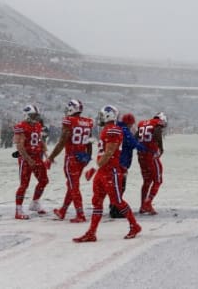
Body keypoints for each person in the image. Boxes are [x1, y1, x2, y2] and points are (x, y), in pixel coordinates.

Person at [73, 105, 141, 242]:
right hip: (103, 171)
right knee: (97, 202)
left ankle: (134, 226)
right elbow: (104, 152)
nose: (100, 117)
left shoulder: (114, 130)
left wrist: (93, 168)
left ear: (108, 115)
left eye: (102, 115)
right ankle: (91, 232)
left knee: (117, 201)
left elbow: (109, 153)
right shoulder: (108, 129)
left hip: (111, 171)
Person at [46, 99, 94, 222]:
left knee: (74, 186)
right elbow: (89, 142)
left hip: (72, 157)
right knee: (72, 185)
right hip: (82, 157)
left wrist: (51, 157)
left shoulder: (69, 121)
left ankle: (80, 214)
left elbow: (62, 141)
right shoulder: (87, 122)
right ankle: (63, 210)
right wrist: (88, 156)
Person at [13, 105, 50, 219]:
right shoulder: (21, 126)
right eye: (33, 115)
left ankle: (35, 202)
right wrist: (28, 159)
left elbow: (40, 140)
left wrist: (46, 154)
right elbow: (19, 145)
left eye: (36, 115)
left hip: (37, 157)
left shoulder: (38, 125)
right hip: (26, 158)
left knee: (44, 180)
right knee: (24, 184)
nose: (35, 118)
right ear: (27, 115)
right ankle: (18, 210)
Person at [109, 113, 147, 219]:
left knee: (116, 186)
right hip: (122, 162)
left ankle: (113, 205)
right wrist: (146, 149)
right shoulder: (125, 130)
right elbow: (132, 143)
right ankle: (116, 209)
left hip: (116, 161)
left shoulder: (118, 128)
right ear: (129, 123)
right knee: (121, 187)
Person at [137, 112, 167, 214]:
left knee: (147, 181)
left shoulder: (142, 123)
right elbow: (157, 132)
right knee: (158, 180)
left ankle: (142, 206)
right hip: (151, 155)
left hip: (141, 155)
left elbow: (136, 136)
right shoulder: (157, 123)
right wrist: (161, 148)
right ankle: (148, 203)